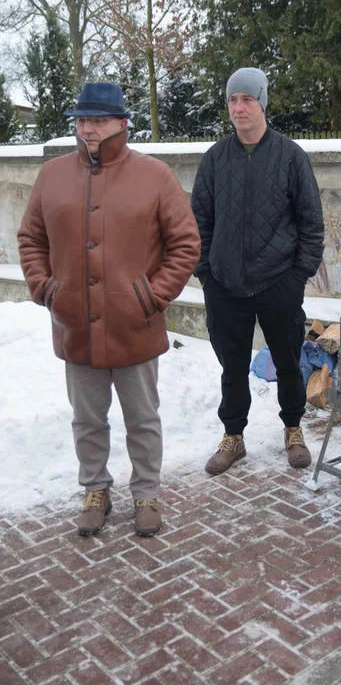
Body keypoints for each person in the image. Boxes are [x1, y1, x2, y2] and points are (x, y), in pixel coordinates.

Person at [17, 82, 200, 537]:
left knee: (142, 418)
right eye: (82, 120)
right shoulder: (53, 175)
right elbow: (31, 239)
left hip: (134, 324)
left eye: (98, 120)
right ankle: (95, 489)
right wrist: (47, 290)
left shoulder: (154, 176)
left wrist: (150, 297)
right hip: (74, 324)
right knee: (86, 420)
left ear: (122, 123)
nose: (88, 129)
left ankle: (146, 494)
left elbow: (185, 244)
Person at [191, 67, 324, 475]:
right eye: (232, 100)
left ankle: (293, 428)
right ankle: (234, 435)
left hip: (278, 282)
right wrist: (207, 275)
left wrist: (296, 277)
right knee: (232, 367)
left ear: (262, 102)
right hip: (226, 285)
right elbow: (199, 222)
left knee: (287, 361)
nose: (238, 107)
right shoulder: (215, 159)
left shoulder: (290, 156)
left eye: (247, 99)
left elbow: (311, 223)